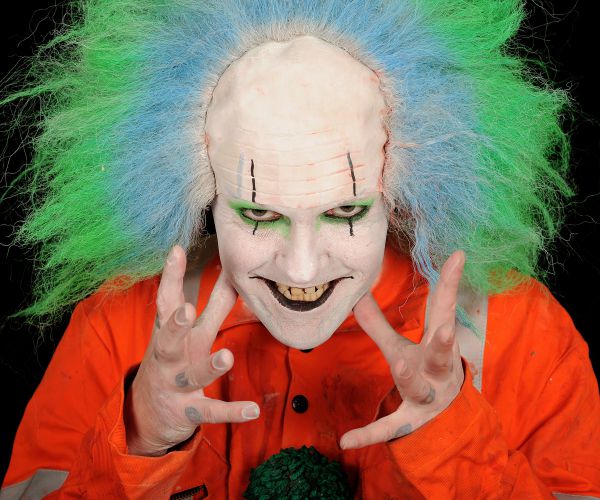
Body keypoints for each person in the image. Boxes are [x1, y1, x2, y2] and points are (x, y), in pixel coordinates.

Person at [1, 0, 599, 498]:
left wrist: (453, 441)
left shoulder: (522, 333)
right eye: (259, 214)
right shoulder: (117, 326)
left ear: (402, 185)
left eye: (346, 211)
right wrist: (141, 432)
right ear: (200, 189)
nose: (303, 268)